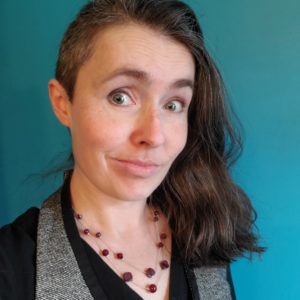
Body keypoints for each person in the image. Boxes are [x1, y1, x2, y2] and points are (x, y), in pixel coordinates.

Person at [0, 0, 264, 299]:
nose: (153, 135)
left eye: (173, 104)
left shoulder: (203, 234)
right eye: (120, 97)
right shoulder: (11, 268)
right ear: (63, 103)